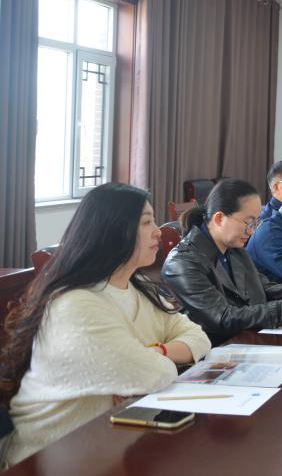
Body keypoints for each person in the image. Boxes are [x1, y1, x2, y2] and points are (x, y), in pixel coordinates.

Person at [0, 183, 211, 467]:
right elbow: (154, 374)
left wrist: (156, 351)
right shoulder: (76, 304)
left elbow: (197, 337)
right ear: (113, 231)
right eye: (146, 222)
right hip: (49, 456)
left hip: (113, 444)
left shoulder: (137, 287)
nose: (158, 231)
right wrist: (159, 358)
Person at [162, 178, 282, 346]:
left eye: (255, 223)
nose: (252, 231)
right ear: (219, 218)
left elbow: (266, 289)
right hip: (214, 352)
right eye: (248, 222)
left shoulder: (234, 250)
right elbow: (223, 318)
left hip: (248, 340)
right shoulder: (183, 262)